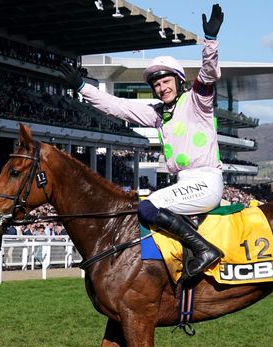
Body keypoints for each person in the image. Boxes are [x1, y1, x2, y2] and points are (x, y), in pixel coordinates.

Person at [60, 4, 225, 276]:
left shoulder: (197, 101)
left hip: (206, 181)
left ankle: (205, 250)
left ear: (179, 81)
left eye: (166, 81)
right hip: (185, 183)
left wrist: (210, 42)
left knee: (147, 207)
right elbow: (116, 106)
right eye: (157, 85)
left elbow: (208, 73)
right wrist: (82, 87)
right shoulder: (158, 114)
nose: (162, 88)